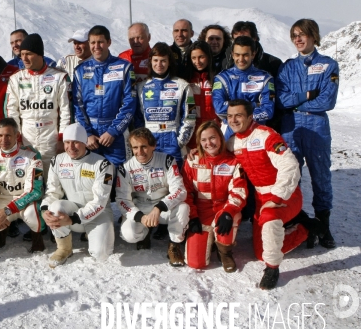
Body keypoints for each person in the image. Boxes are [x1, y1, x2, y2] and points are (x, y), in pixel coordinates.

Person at [226, 100, 321, 289]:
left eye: (238, 115)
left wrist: (277, 197)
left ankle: (272, 269)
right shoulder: (233, 141)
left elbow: (290, 166)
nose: (233, 120)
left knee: (270, 220)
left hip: (286, 194)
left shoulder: (267, 136)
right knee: (260, 252)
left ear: (250, 116)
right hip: (261, 197)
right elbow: (219, 158)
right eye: (229, 116)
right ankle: (306, 228)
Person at [276, 18, 339, 249]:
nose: (298, 39)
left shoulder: (328, 65)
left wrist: (297, 103)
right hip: (291, 127)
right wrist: (308, 95)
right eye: (294, 35)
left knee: (321, 177)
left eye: (302, 34)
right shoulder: (287, 67)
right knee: (293, 178)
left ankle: (323, 227)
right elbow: (281, 100)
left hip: (316, 128)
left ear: (314, 36)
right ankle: (300, 224)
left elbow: (328, 100)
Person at [41, 123, 115, 267]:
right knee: (55, 207)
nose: (71, 147)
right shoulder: (57, 161)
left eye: (76, 142)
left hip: (98, 213)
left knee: (101, 254)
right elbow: (52, 192)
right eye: (67, 142)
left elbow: (100, 202)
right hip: (72, 211)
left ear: (85, 143)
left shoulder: (103, 164)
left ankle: (91, 233)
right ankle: (64, 248)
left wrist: (73, 219)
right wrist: (45, 210)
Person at [116, 128, 189, 266]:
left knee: (183, 208)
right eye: (135, 147)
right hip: (141, 207)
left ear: (153, 146)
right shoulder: (125, 168)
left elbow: (180, 190)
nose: (140, 152)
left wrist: (159, 207)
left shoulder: (167, 160)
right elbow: (122, 200)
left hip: (163, 206)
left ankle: (174, 245)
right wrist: (140, 217)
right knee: (129, 235)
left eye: (144, 146)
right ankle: (144, 234)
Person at [182, 121, 247, 272]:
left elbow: (239, 191)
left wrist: (229, 212)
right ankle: (209, 241)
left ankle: (225, 251)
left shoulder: (233, 161)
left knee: (227, 221)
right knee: (195, 263)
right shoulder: (193, 160)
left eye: (212, 138)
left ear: (220, 138)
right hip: (201, 212)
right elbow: (185, 191)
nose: (209, 143)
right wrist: (192, 216)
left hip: (224, 208)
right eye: (203, 140)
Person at [5, 33, 72, 179]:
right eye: (22, 54)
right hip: (26, 136)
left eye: (28, 54)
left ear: (39, 54)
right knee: (28, 180)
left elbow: (66, 111)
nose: (24, 58)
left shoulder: (58, 77)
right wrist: (16, 137)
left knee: (52, 180)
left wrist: (62, 138)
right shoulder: (16, 79)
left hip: (51, 136)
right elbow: (11, 111)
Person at [0, 118, 46, 251]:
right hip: (3, 198)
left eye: (8, 135)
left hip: (26, 199)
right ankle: (2, 232)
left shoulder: (33, 156)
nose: (3, 139)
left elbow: (35, 191)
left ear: (17, 136)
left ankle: (37, 237)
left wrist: (7, 211)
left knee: (33, 215)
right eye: (0, 135)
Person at [73, 25, 136, 167]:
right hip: (91, 137)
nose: (97, 46)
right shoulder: (80, 71)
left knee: (120, 179)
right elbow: (78, 106)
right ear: (89, 44)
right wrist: (87, 134)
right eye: (93, 42)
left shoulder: (124, 67)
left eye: (100, 42)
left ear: (109, 42)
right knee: (91, 178)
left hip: (116, 135)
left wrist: (113, 132)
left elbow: (130, 103)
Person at [134, 42, 196, 168]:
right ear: (150, 61)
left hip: (172, 139)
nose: (159, 64)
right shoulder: (142, 87)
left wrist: (179, 142)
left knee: (175, 180)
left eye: (163, 61)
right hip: (149, 140)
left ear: (169, 62)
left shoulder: (182, 85)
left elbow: (190, 116)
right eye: (156, 60)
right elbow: (137, 117)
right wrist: (142, 140)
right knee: (153, 180)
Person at [225, 21, 284, 133]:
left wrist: (271, 125)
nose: (241, 43)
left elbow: (276, 100)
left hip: (263, 126)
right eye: (236, 39)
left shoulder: (272, 63)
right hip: (233, 127)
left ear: (255, 39)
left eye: (245, 38)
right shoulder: (227, 63)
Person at [212, 35, 275, 138]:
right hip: (231, 134)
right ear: (232, 54)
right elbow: (219, 108)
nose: (241, 59)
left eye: (245, 55)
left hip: (256, 134)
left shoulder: (265, 78)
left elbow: (268, 111)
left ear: (253, 54)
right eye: (237, 55)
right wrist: (255, 105)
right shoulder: (222, 78)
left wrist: (234, 112)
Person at [183, 41, 220, 149]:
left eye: (201, 57)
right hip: (193, 131)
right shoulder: (186, 79)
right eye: (193, 58)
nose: (197, 61)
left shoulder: (218, 77)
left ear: (208, 56)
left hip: (214, 130)